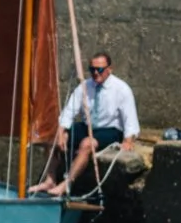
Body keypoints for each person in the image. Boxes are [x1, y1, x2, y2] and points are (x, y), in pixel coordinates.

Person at [38, 51, 137, 196]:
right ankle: (50, 179)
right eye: (92, 69)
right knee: (51, 137)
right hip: (88, 126)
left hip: (109, 129)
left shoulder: (122, 89)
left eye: (100, 69)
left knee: (86, 144)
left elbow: (130, 118)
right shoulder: (84, 86)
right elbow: (70, 110)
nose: (95, 73)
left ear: (109, 69)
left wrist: (128, 140)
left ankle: (66, 184)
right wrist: (61, 130)